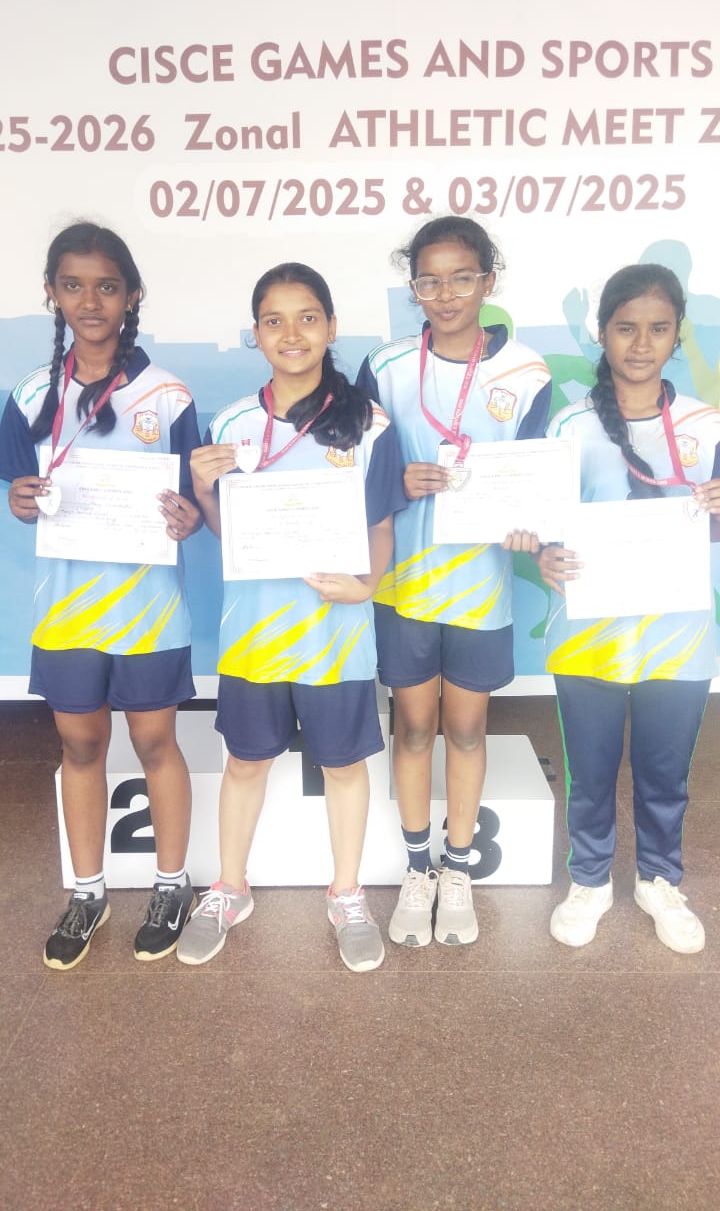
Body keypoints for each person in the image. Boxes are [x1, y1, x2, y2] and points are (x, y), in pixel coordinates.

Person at [177, 262, 406, 973]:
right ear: (256, 333)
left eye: (307, 317)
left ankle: (347, 895)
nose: (292, 333)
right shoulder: (232, 424)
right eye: (273, 321)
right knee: (245, 761)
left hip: (336, 636)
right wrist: (204, 490)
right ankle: (229, 888)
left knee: (343, 765)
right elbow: (231, 533)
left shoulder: (368, 424)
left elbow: (381, 525)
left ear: (331, 327)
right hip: (254, 634)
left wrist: (368, 586)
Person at [0, 221, 202, 970]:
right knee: (81, 746)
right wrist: (21, 499)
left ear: (132, 295)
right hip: (66, 614)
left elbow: (193, 501)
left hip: (150, 613)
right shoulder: (30, 394)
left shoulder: (167, 394)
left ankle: (172, 885)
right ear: (51, 293)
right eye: (74, 285)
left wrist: (189, 517)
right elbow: (22, 492)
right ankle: (87, 893)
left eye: (107, 286)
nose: (90, 301)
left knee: (154, 743)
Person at [356, 216, 551, 947]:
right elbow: (356, 474)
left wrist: (528, 525)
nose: (445, 294)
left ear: (488, 281)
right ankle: (418, 869)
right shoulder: (385, 367)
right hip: (403, 587)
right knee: (413, 727)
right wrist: (397, 482)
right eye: (429, 281)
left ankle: (458, 867)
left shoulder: (526, 373)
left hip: (480, 588)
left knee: (466, 730)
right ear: (413, 288)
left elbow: (532, 479)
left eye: (461, 278)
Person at [539, 263, 720, 953]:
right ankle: (589, 880)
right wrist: (543, 555)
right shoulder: (570, 424)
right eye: (626, 328)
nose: (641, 344)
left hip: (679, 635)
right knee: (589, 769)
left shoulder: (707, 425)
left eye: (658, 329)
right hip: (589, 632)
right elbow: (544, 524)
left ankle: (658, 879)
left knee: (665, 772)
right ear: (603, 333)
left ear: (677, 335)